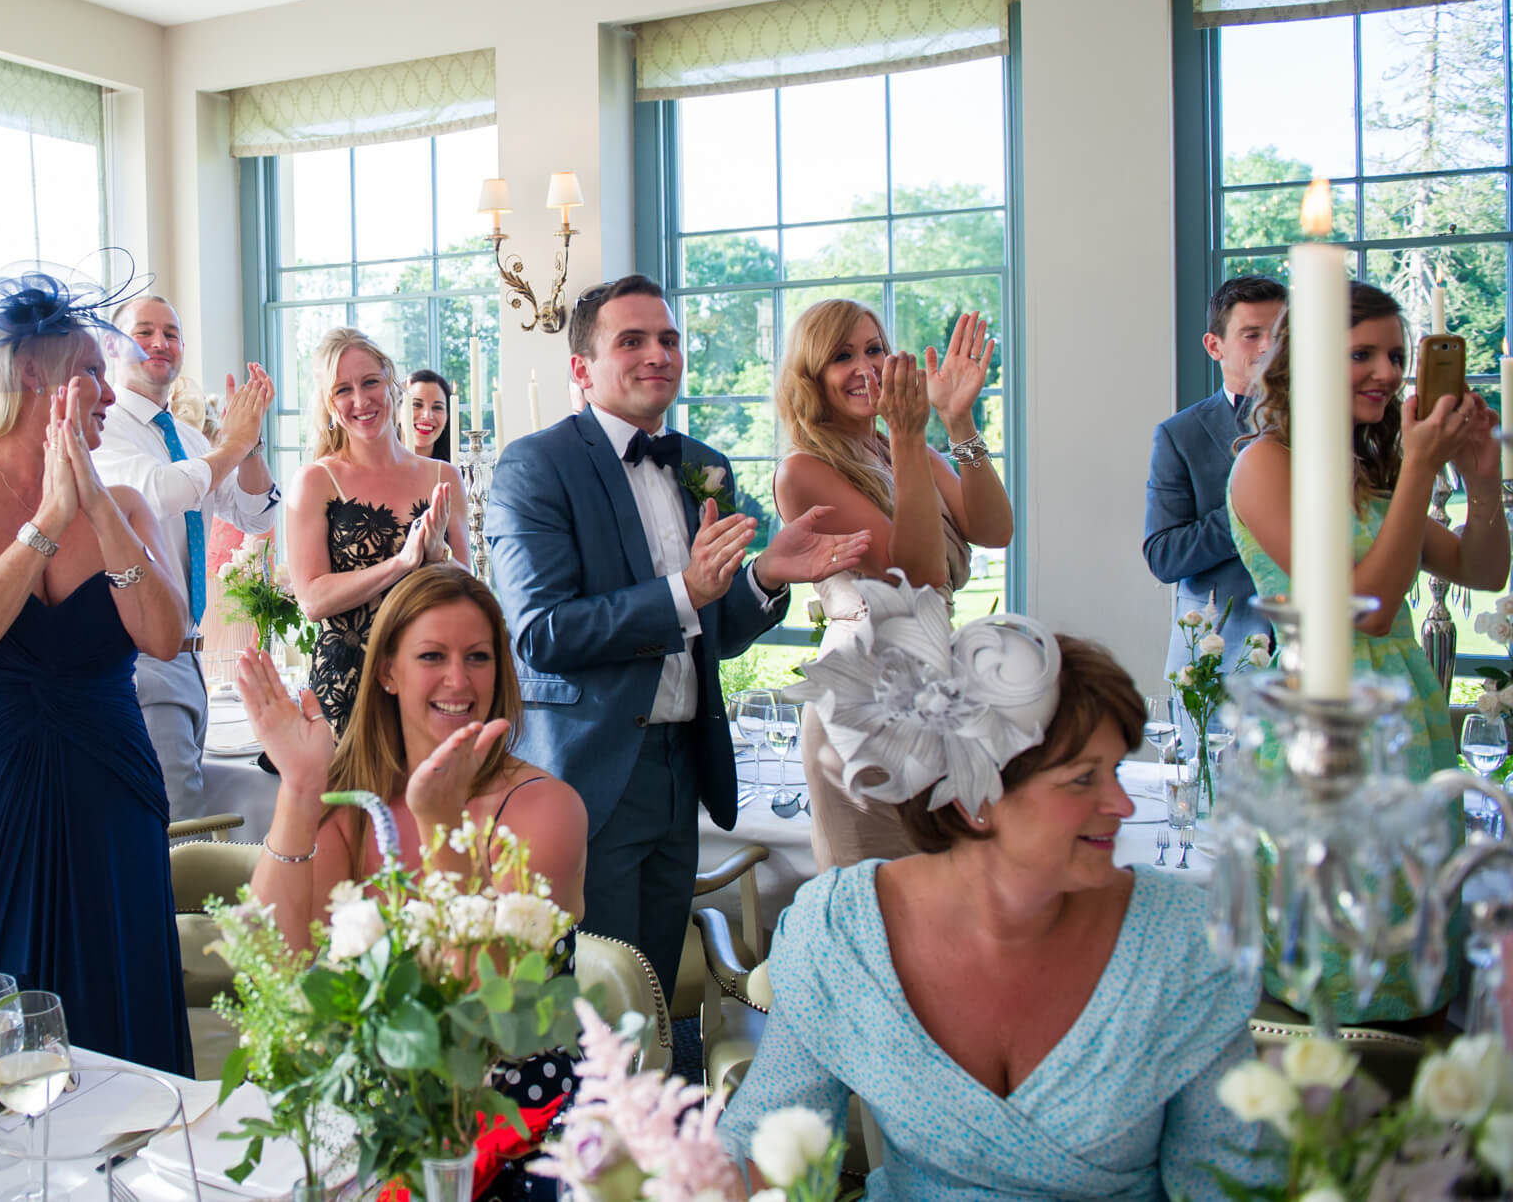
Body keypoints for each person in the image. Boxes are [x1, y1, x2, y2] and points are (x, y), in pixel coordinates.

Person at [727, 584, 1277, 1198]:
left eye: (1117, 771)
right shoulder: (844, 932)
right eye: (1083, 780)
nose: (1121, 805)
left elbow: (1231, 1184)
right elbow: (768, 1140)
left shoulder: (1180, 940)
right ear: (975, 799)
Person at [485, 274, 869, 1001]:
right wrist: (682, 591)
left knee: (657, 989)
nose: (657, 353)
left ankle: (659, 1108)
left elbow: (707, 633)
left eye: (667, 339)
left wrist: (763, 578)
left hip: (681, 767)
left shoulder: (704, 463)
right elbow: (539, 633)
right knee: (596, 1001)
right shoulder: (536, 467)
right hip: (587, 774)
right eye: (631, 340)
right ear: (581, 368)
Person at [0, 260, 194, 1074]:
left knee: (118, 1019)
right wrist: (49, 521)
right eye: (91, 370)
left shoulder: (125, 504)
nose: (107, 387)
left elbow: (166, 635)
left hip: (107, 791)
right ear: (31, 375)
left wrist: (95, 506)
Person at [239, 563, 586, 1189]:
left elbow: (472, 1018)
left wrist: (441, 825)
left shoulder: (546, 808)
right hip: (372, 1121)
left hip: (516, 1132)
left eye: (478, 657)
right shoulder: (357, 800)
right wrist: (300, 788)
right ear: (388, 674)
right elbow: (271, 961)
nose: (459, 679)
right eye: (433, 655)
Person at [1228, 279, 1508, 1024]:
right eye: (1362, 354)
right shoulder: (1264, 465)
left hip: (1405, 726)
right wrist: (1420, 467)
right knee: (1338, 958)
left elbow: (1483, 570)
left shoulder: (1371, 473)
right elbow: (1372, 610)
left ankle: (1411, 1102)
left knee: (1412, 942)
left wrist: (1482, 481)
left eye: (1394, 354)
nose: (1388, 372)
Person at [772, 300, 1012, 871]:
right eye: (842, 356)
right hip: (863, 697)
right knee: (880, 890)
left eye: (875, 349)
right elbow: (918, 579)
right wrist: (908, 438)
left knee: (944, 880)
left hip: (928, 685)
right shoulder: (804, 471)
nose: (866, 366)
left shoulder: (903, 448)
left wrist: (958, 422)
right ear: (811, 376)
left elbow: (995, 529)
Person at [91, 294, 279, 820]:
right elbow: (161, 492)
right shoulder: (102, 428)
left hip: (191, 657)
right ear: (112, 344)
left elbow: (255, 516)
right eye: (144, 332)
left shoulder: (188, 436)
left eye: (171, 334)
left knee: (187, 815)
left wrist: (250, 444)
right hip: (141, 656)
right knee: (176, 830)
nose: (160, 343)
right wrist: (229, 446)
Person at [285, 328, 469, 731]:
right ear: (329, 405)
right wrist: (401, 564)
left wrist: (437, 558)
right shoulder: (316, 481)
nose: (361, 400)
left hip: (433, 686)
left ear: (392, 386)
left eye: (370, 382)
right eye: (343, 390)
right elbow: (312, 600)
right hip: (348, 688)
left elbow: (469, 593)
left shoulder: (444, 476)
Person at [1144, 275, 1284, 676]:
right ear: (1214, 346)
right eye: (1252, 335)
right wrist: (1252, 510)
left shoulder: (1333, 426)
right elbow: (1164, 556)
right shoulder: (1179, 434)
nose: (1268, 347)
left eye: (1278, 334)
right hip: (1219, 654)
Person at [405, 369, 454, 461]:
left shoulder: (457, 469)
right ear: (397, 410)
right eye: (416, 405)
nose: (427, 416)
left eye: (437, 407)